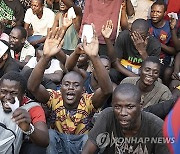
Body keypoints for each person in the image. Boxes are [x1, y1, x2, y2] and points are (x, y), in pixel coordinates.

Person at [27, 27, 113, 153]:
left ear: (83, 90)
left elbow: (106, 90)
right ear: (60, 88)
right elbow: (32, 87)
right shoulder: (54, 97)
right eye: (66, 84)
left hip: (81, 145)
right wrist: (45, 57)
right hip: (58, 143)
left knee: (91, 139)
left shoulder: (88, 101)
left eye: (76, 85)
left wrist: (94, 57)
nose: (70, 88)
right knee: (50, 134)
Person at [82, 83, 170, 154]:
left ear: (141, 106)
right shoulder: (107, 116)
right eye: (117, 107)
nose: (123, 113)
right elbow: (88, 150)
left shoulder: (158, 127)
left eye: (130, 107)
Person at [0, 71, 49, 154]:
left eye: (14, 93)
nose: (7, 97)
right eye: (3, 91)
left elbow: (44, 141)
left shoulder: (32, 108)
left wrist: (29, 128)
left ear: (23, 94)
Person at [101, 19, 161, 84]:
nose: (137, 39)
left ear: (148, 34)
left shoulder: (155, 45)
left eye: (142, 36)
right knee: (112, 73)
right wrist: (133, 77)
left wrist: (142, 51)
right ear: (130, 32)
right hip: (125, 72)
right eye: (134, 35)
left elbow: (152, 70)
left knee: (156, 81)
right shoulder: (124, 37)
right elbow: (115, 63)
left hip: (144, 75)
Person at [148, 0, 176, 86]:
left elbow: (174, 51)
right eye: (152, 11)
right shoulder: (146, 24)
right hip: (147, 57)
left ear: (164, 13)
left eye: (158, 12)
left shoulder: (169, 27)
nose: (154, 14)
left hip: (162, 60)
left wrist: (157, 43)